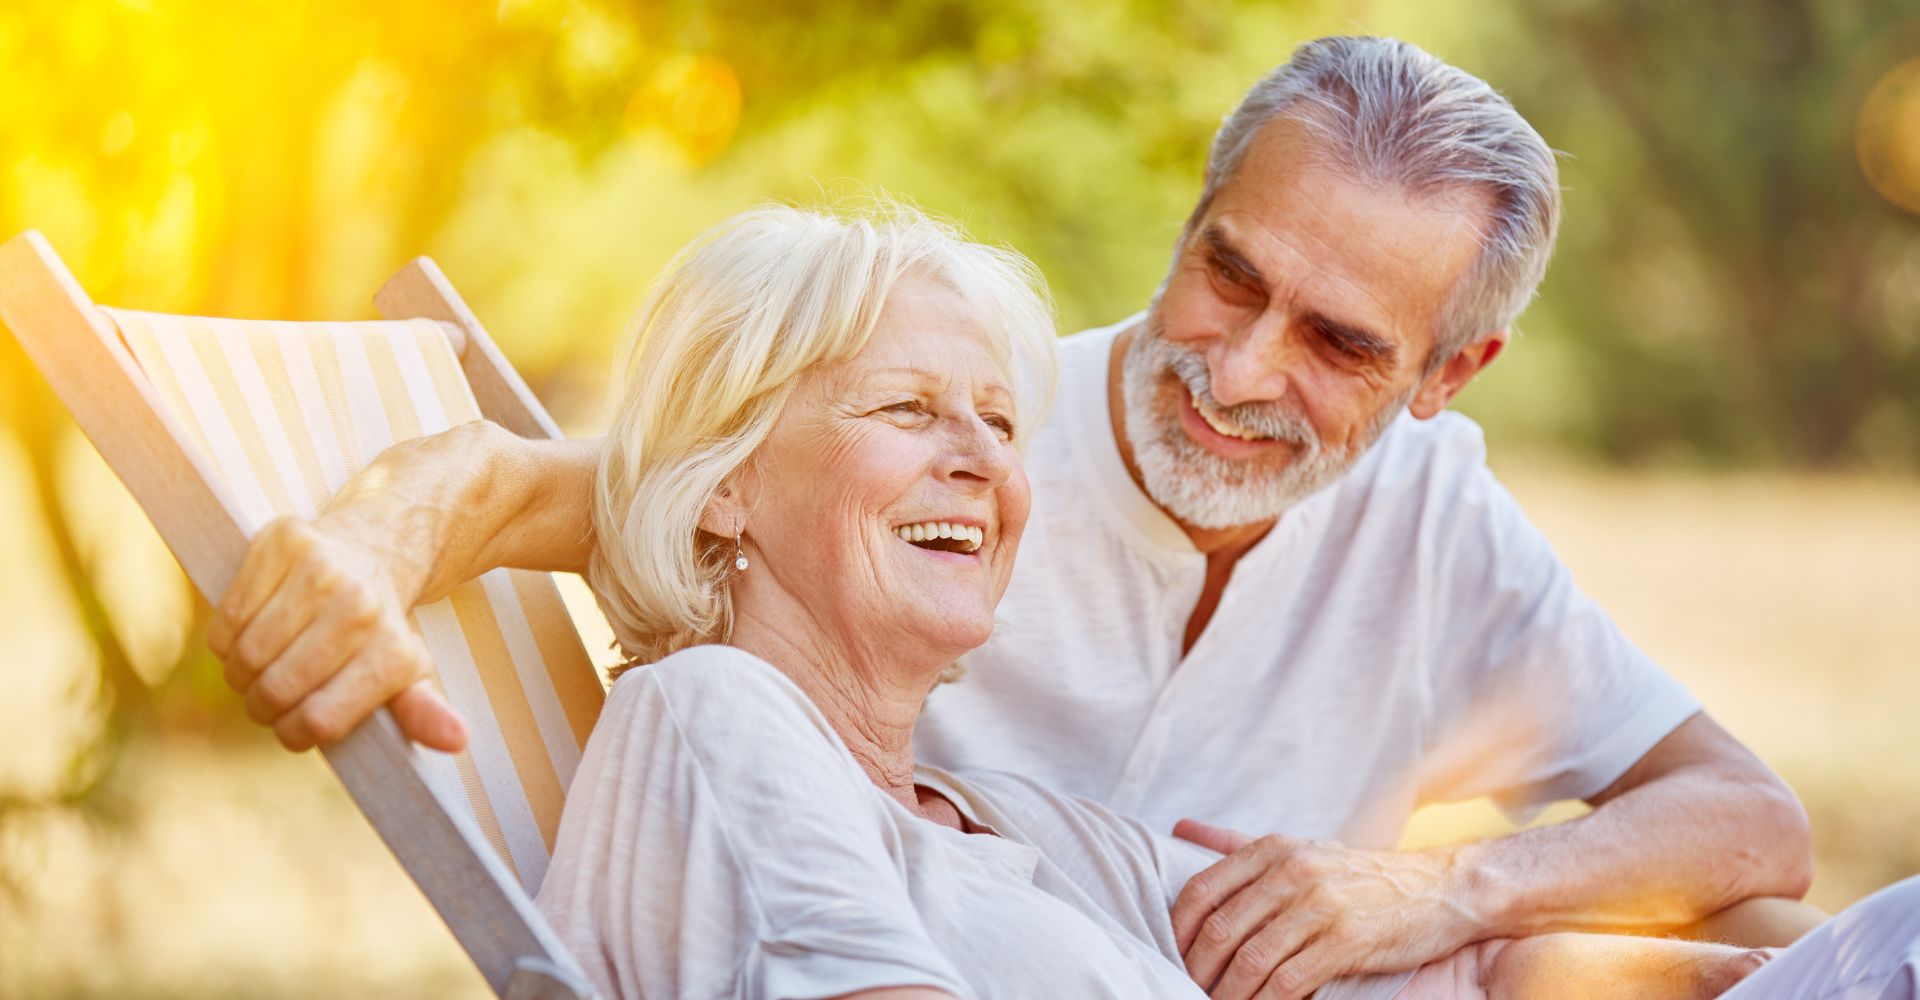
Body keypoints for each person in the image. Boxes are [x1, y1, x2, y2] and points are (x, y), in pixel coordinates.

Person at [210, 36, 1829, 997]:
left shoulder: (1040, 830)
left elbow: (1736, 838)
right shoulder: (795, 628)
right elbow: (535, 483)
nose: (1236, 371)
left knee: (1815, 939)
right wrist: (357, 547)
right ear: (1191, 223)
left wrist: (1458, 891)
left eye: (1337, 341)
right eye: (1229, 275)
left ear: (1445, 372)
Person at [523, 201, 1854, 1000]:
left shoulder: (1004, 828)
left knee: (1823, 940)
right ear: (723, 487)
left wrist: (1728, 982)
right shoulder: (715, 723)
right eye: (910, 411)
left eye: (998, 419)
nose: (988, 461)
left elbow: (1445, 978)